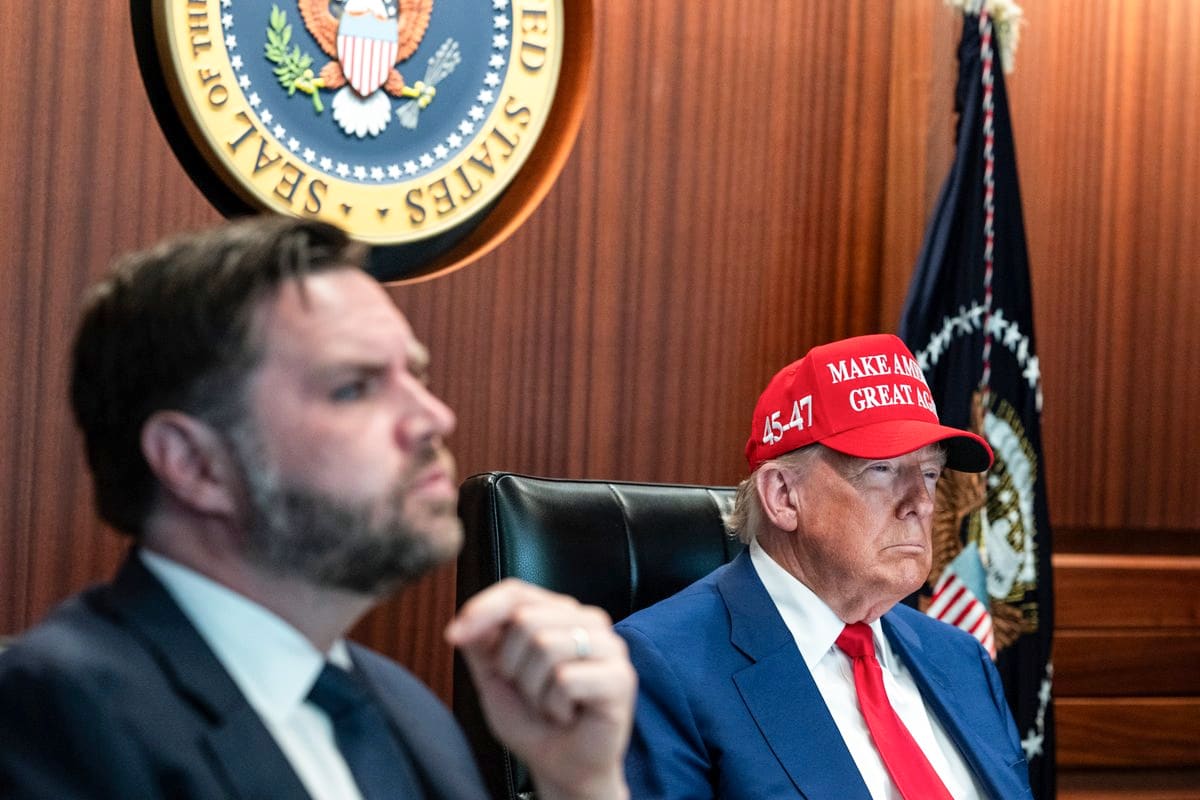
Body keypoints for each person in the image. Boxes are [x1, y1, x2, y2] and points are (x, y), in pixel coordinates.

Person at [0, 217, 635, 800]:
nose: (434, 418)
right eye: (354, 388)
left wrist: (579, 782)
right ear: (196, 465)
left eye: (417, 377)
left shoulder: (404, 710)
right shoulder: (56, 711)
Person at [614, 333, 1034, 799]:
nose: (922, 502)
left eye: (930, 473)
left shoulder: (960, 658)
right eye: (882, 469)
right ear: (782, 496)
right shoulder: (661, 668)